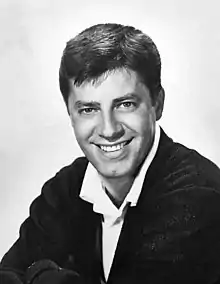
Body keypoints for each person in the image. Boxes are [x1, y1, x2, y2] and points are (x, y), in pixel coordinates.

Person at [1, 23, 220, 284]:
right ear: (70, 114)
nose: (109, 129)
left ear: (157, 104)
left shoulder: (201, 195)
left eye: (125, 104)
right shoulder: (66, 188)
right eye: (88, 109)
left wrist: (41, 275)